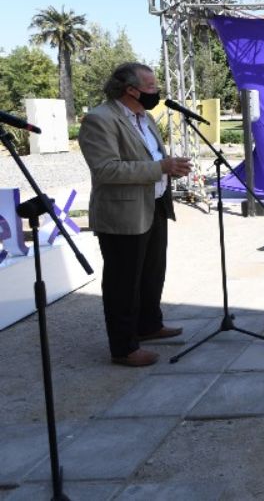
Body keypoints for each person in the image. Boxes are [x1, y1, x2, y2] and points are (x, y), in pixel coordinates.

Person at [78, 62, 192, 367]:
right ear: (131, 89)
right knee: (123, 282)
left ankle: (149, 325)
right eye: (151, 87)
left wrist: (171, 167)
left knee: (152, 272)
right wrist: (160, 168)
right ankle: (124, 348)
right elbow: (106, 170)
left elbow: (153, 156)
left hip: (153, 205)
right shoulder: (99, 119)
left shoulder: (145, 116)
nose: (156, 92)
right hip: (122, 214)